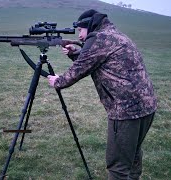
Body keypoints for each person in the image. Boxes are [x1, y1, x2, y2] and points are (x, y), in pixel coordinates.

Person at [47, 9, 157, 179]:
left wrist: (58, 81)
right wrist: (74, 53)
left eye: (81, 31)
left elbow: (80, 69)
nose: (80, 36)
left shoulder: (98, 38)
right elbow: (98, 59)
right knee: (133, 155)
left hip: (126, 112)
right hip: (147, 106)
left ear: (89, 26)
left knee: (118, 166)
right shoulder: (113, 34)